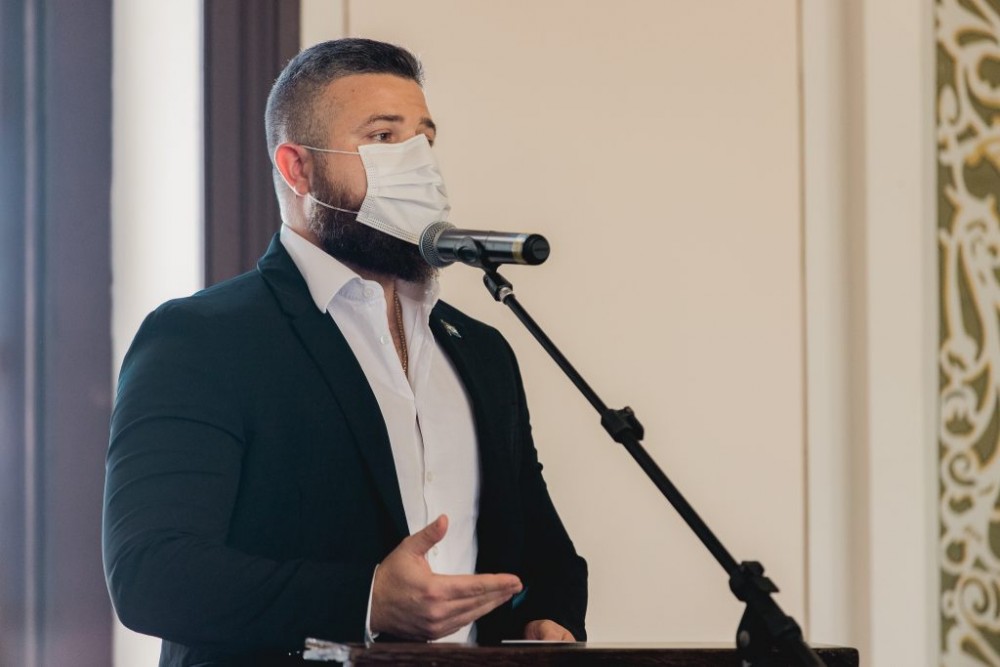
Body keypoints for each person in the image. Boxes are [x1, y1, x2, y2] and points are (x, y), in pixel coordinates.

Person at [102, 38, 587, 665]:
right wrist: (367, 601)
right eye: (384, 137)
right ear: (298, 169)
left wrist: (548, 617)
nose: (418, 163)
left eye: (425, 139)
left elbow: (544, 555)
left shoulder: (482, 350)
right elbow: (151, 574)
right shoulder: (202, 339)